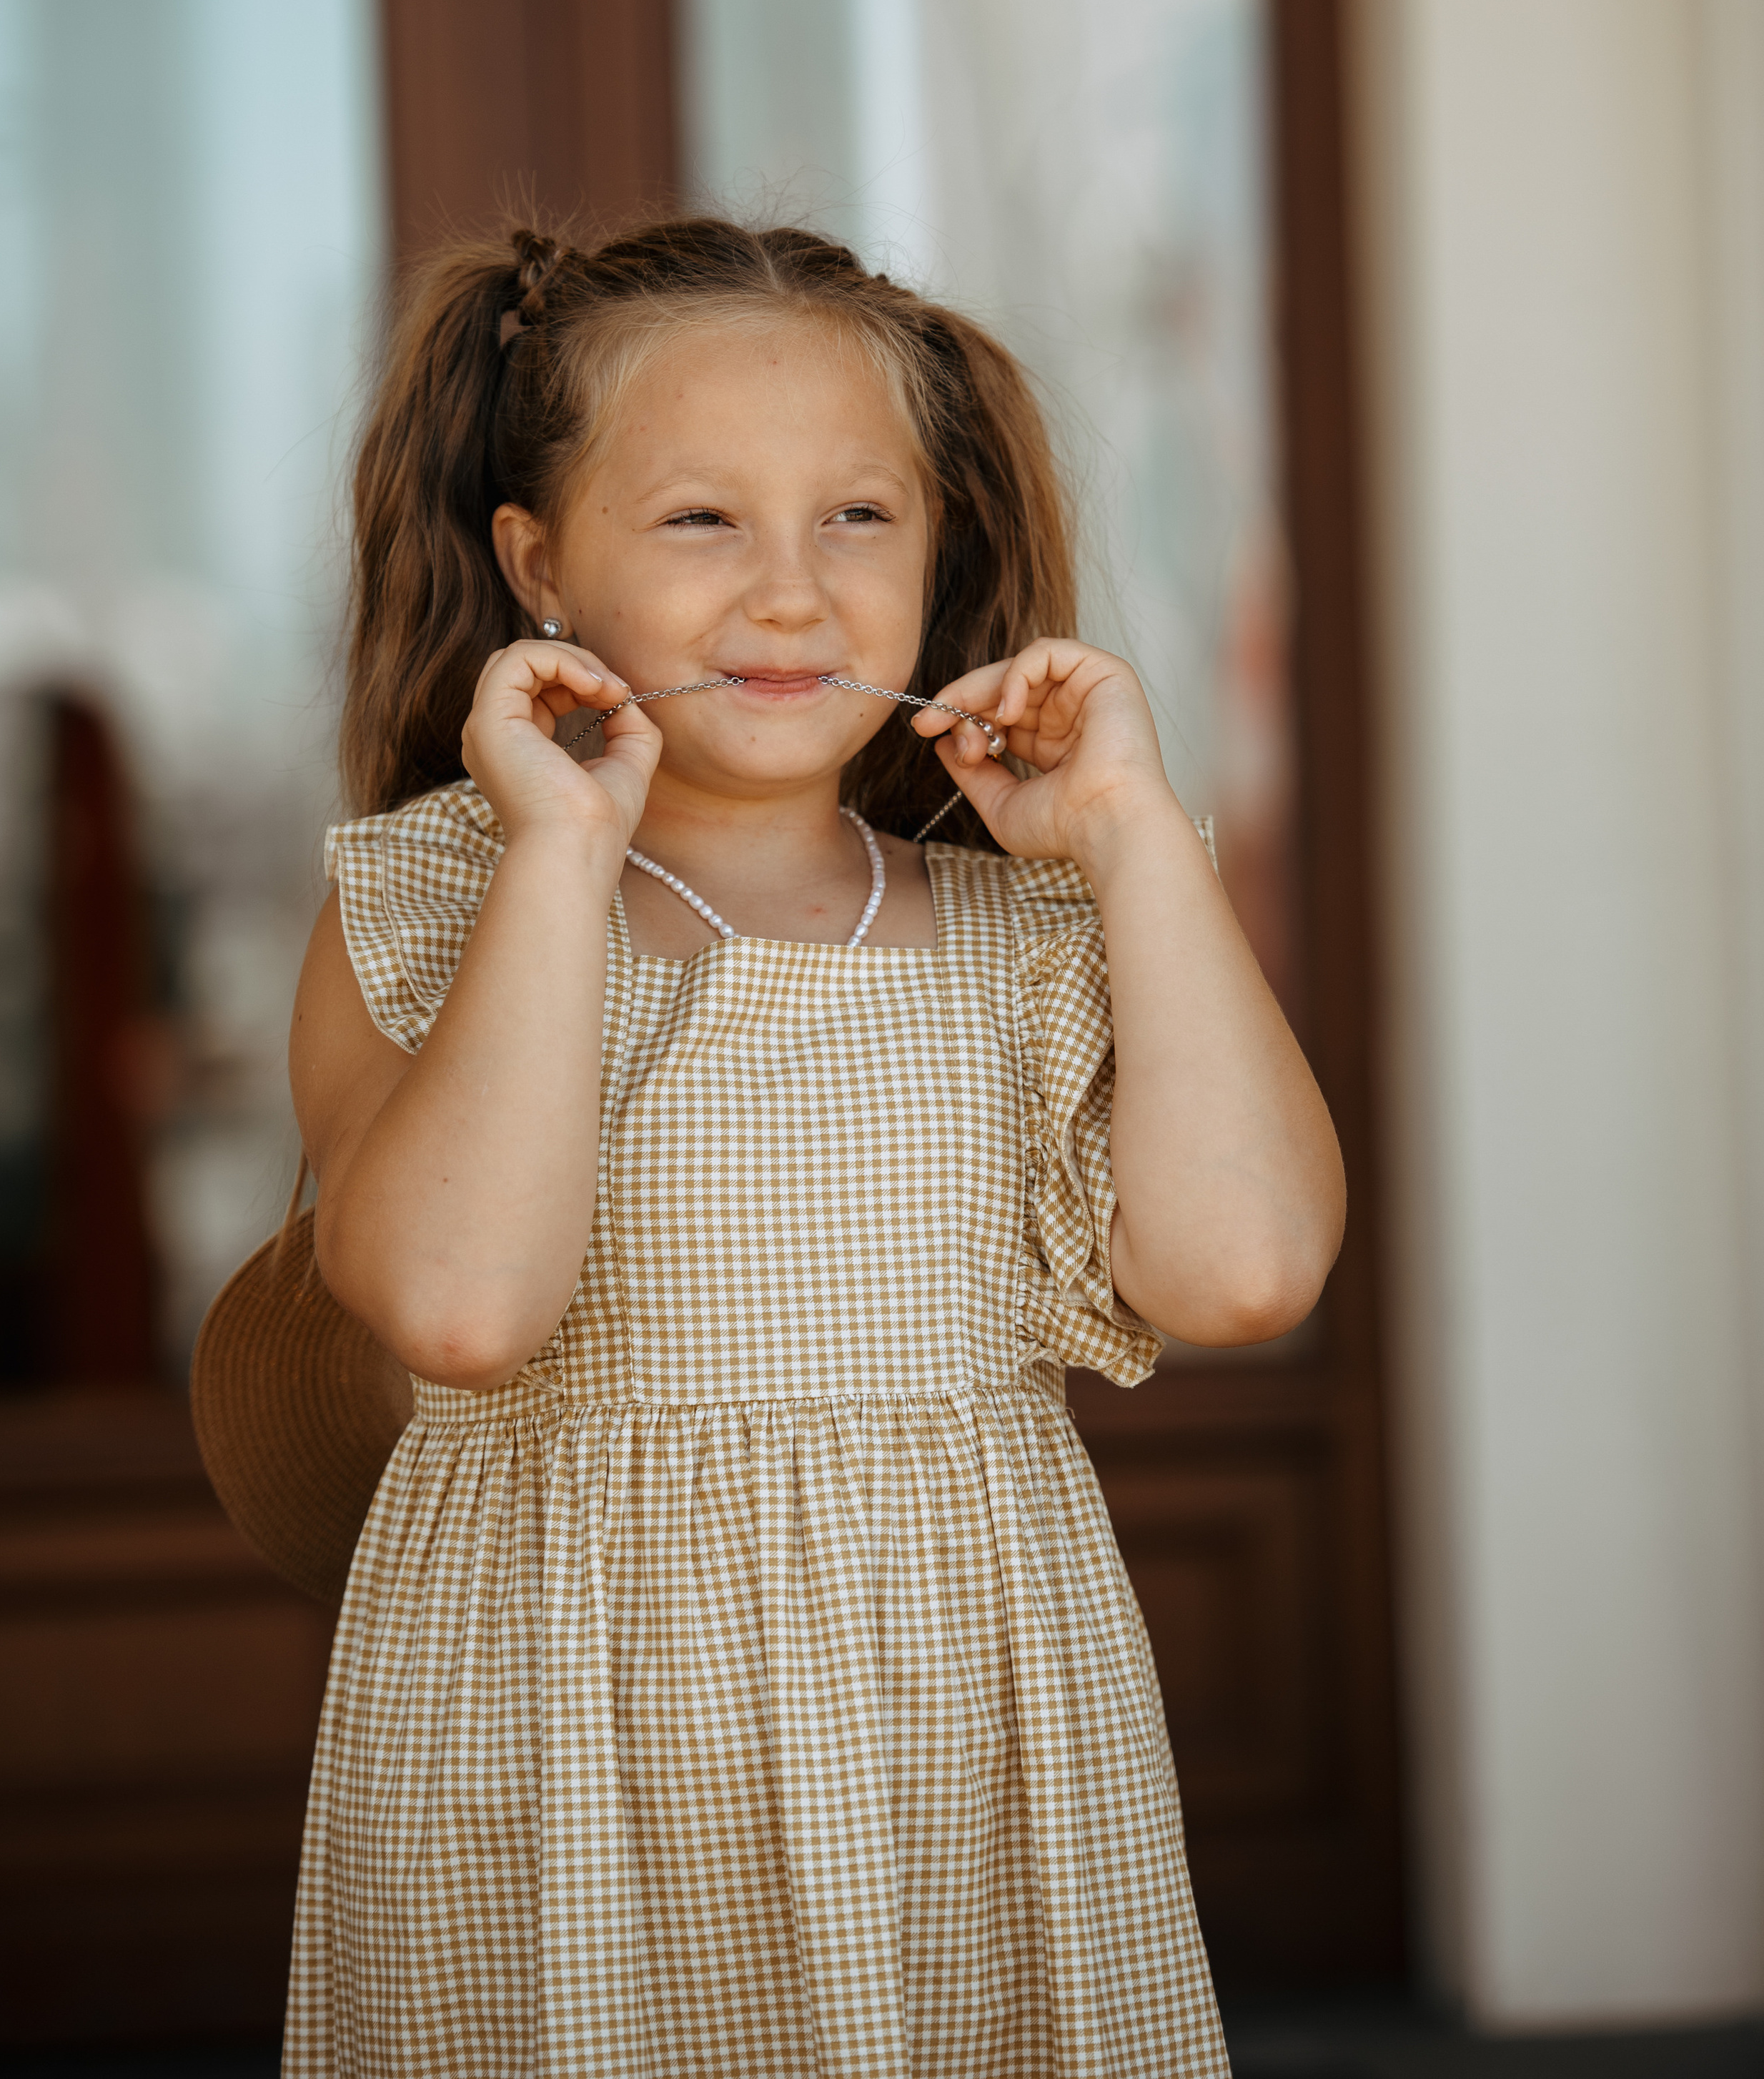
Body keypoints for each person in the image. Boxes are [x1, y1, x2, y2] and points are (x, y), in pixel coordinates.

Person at [284, 217, 1344, 2078]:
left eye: (860, 516)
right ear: (538, 564)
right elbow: (460, 1304)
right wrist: (560, 850)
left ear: (938, 551)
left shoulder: (1032, 932)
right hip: (568, 1744)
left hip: (968, 1749)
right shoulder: (441, 902)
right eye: (702, 519)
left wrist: (1133, 834)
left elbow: (1247, 1270)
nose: (792, 593)